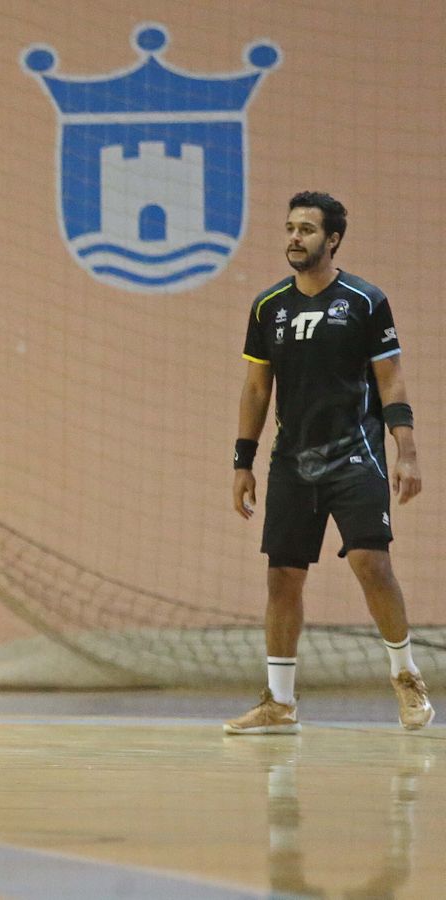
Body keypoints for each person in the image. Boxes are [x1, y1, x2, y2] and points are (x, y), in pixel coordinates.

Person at [228, 191, 431, 734]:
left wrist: (405, 452)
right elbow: (255, 389)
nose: (295, 237)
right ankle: (279, 703)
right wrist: (241, 461)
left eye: (308, 230)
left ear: (333, 239)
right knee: (282, 578)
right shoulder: (268, 306)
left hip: (356, 455)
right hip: (292, 461)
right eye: (290, 228)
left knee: (372, 564)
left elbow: (391, 379)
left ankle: (406, 678)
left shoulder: (365, 301)